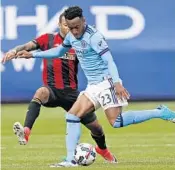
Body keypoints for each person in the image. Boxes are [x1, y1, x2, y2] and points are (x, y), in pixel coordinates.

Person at [3, 6, 175, 167]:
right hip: (93, 85)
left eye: (77, 27)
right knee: (72, 116)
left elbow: (109, 61)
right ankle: (70, 159)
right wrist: (32, 55)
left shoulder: (94, 37)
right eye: (71, 28)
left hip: (107, 82)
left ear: (83, 21)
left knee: (116, 122)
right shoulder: (71, 36)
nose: (75, 31)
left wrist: (117, 83)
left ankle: (160, 112)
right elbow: (58, 52)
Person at [2, 13, 117, 167]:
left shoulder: (77, 42)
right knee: (40, 93)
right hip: (52, 91)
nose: (68, 28)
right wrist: (14, 51)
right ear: (59, 25)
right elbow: (26, 46)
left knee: (96, 127)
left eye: (70, 26)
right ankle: (26, 131)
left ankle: (103, 150)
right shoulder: (47, 39)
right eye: (65, 25)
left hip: (72, 94)